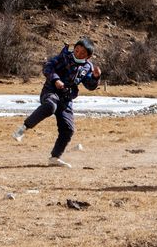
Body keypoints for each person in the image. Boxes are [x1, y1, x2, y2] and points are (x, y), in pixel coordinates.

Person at [12, 39, 101, 167]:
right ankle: (21, 130)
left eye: (82, 53)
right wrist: (56, 80)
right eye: (76, 50)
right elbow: (47, 67)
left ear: (88, 56)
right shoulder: (63, 57)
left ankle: (55, 158)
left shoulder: (88, 67)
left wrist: (96, 77)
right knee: (50, 106)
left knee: (68, 129)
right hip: (51, 90)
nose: (78, 54)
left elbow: (90, 86)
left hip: (66, 98)